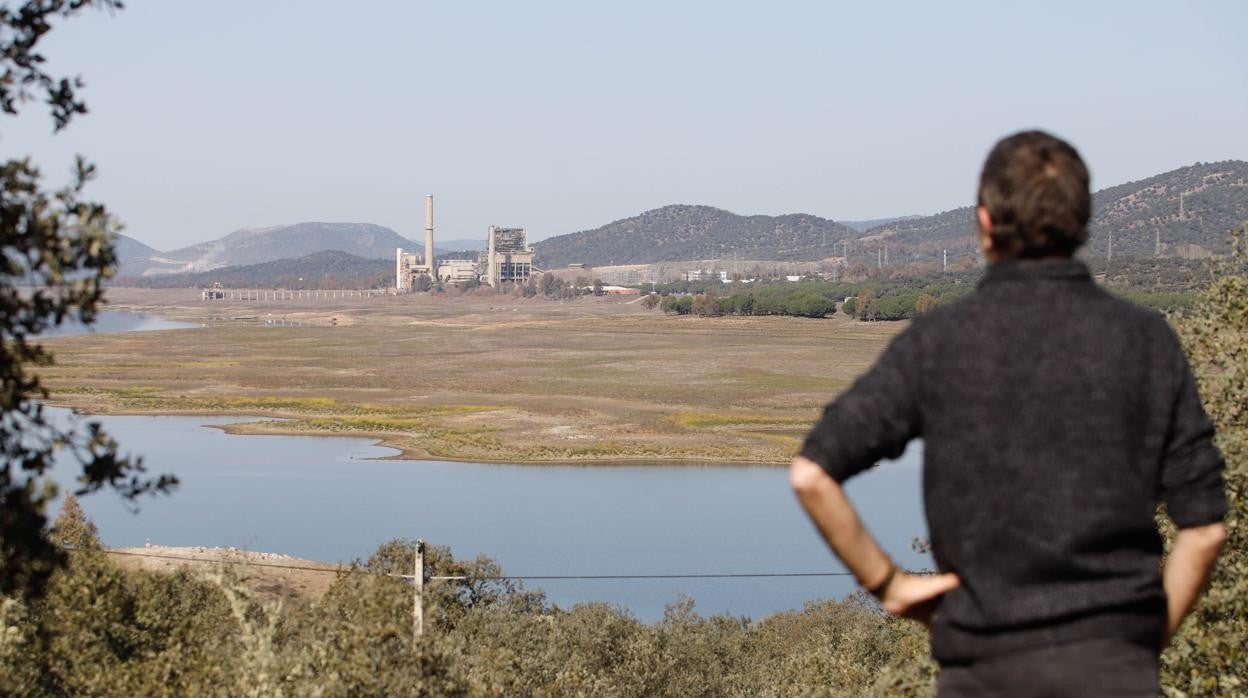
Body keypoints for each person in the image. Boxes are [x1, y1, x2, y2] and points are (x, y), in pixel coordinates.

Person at [790, 130, 1227, 696]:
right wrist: (1142, 640)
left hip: (983, 673)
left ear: (984, 223)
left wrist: (889, 585)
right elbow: (1206, 528)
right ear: (1084, 223)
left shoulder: (940, 342)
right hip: (1117, 669)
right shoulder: (1148, 342)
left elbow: (812, 473)